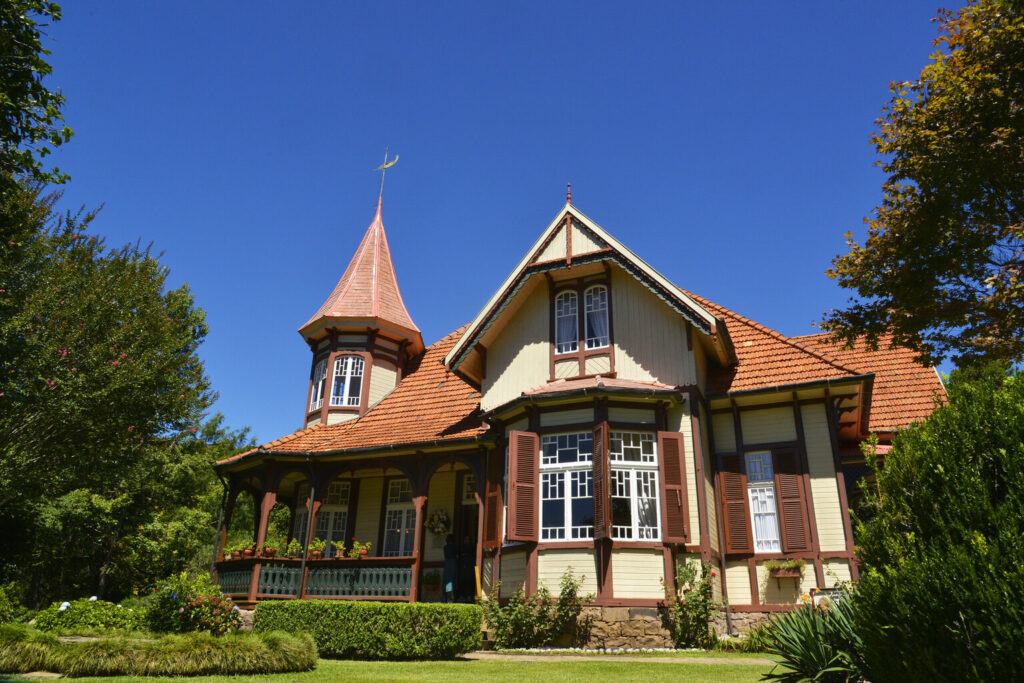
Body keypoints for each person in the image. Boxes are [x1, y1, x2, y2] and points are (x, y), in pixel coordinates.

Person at [459, 534, 475, 602]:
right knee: (462, 581)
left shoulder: (472, 547)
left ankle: (469, 596)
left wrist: (466, 554)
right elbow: (460, 555)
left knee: (469, 581)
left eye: (467, 539)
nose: (466, 540)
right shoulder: (462, 547)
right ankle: (462, 596)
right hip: (463, 567)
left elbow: (472, 554)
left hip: (470, 567)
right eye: (465, 539)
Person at [442, 534, 457, 603]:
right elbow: (456, 556)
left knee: (446, 580)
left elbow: (445, 556)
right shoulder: (454, 547)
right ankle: (450, 599)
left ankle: (444, 598)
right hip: (453, 563)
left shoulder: (445, 547)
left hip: (447, 563)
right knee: (452, 580)